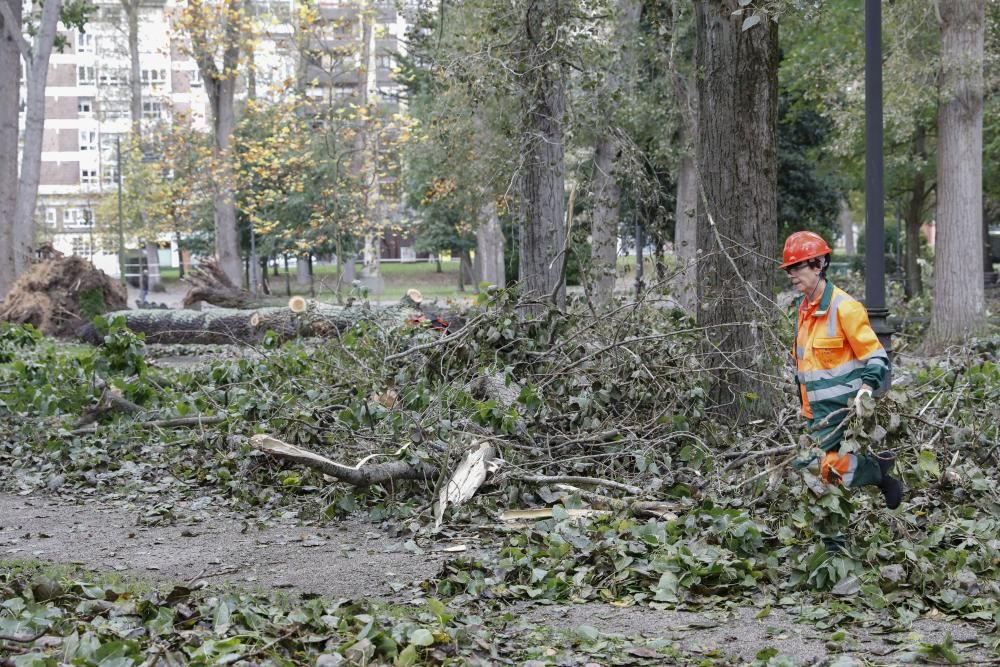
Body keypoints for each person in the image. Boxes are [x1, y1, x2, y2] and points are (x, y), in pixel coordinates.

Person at [782, 232, 903, 541]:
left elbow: (876, 357)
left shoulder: (845, 308)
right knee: (818, 473)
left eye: (798, 267)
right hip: (815, 413)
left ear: (819, 264)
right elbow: (805, 365)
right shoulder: (805, 310)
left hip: (841, 412)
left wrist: (866, 389)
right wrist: (804, 405)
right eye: (789, 269)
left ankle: (872, 476)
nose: (792, 275)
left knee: (816, 468)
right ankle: (874, 476)